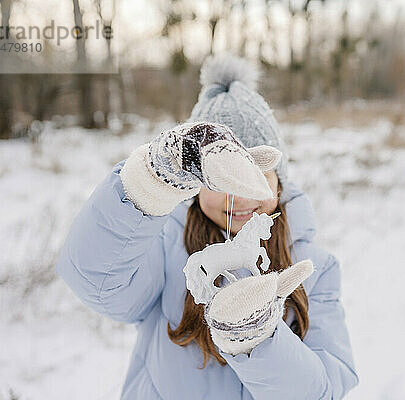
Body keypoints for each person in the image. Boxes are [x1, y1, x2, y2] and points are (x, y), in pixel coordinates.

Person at [56, 55, 358, 400]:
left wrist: (256, 339)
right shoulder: (167, 248)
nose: (239, 198)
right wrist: (146, 185)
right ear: (194, 184)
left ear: (278, 181)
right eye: (221, 181)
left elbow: (323, 391)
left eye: (256, 176)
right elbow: (96, 280)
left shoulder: (314, 268)